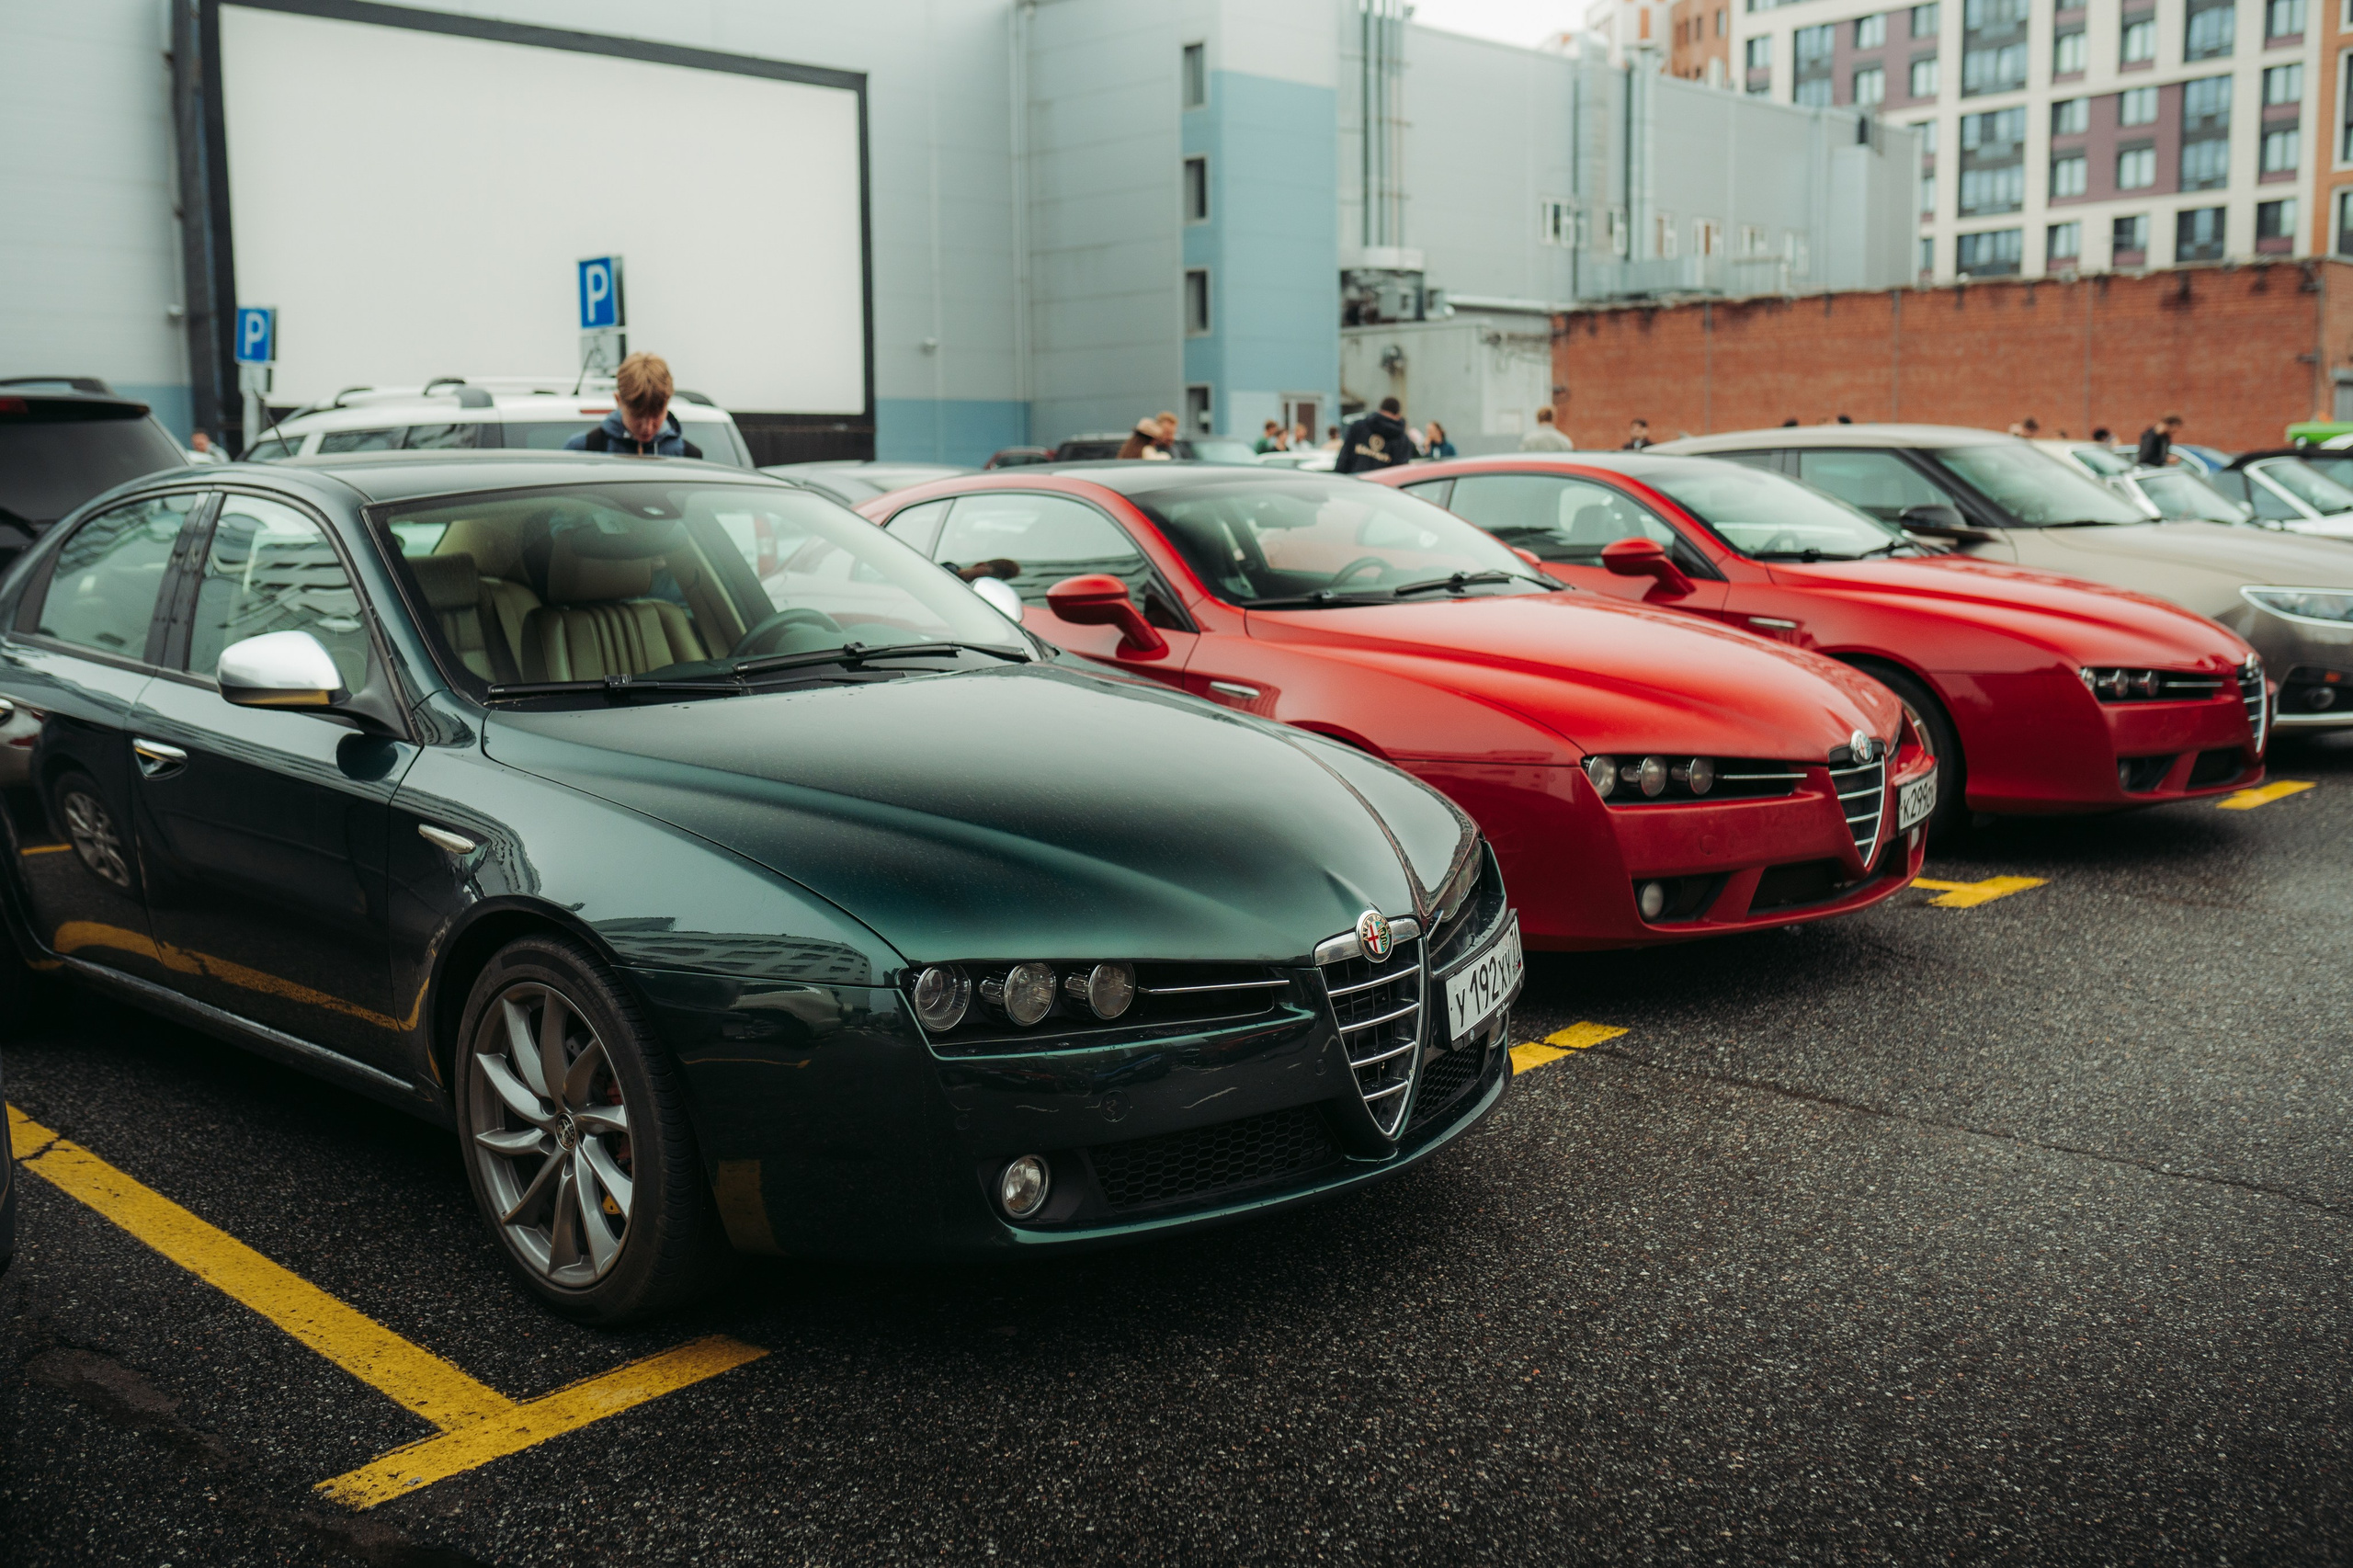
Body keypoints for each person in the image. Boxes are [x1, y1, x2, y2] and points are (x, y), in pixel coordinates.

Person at [565, 352, 700, 458]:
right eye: (637, 415)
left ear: (668, 403)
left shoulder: (688, 455)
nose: (647, 427)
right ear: (618, 401)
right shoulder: (583, 450)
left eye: (655, 415)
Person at [1336, 396, 1413, 472]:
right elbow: (1400, 472)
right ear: (1398, 415)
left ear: (1380, 410)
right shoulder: (1402, 440)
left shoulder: (1358, 427)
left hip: (1355, 482)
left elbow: (1343, 459)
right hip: (1382, 484)